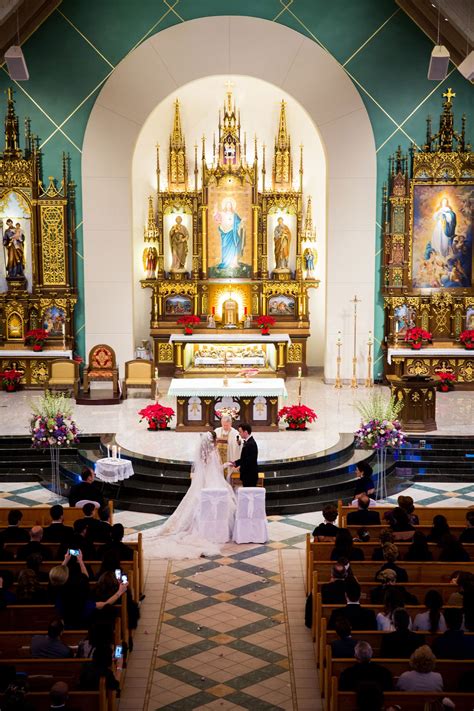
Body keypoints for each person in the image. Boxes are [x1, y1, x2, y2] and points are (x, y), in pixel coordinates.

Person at [142, 432, 236, 559]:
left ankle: (210, 531)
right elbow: (216, 469)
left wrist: (224, 465)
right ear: (212, 441)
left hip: (205, 482)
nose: (217, 441)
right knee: (224, 504)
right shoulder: (213, 452)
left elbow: (209, 469)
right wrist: (225, 465)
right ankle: (219, 532)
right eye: (215, 440)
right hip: (213, 482)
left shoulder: (204, 454)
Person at [228, 423, 258, 487]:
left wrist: (240, 467)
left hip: (250, 475)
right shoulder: (248, 442)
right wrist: (235, 463)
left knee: (249, 494)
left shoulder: (251, 444)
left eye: (240, 432)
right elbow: (244, 458)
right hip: (247, 475)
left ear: (246, 432)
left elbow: (250, 461)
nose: (239, 434)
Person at [214, 414, 242, 480]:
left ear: (231, 423)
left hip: (229, 456)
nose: (225, 427)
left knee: (228, 472)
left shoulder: (235, 432)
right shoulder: (217, 431)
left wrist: (231, 441)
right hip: (219, 456)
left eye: (227, 425)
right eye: (223, 425)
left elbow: (239, 442)